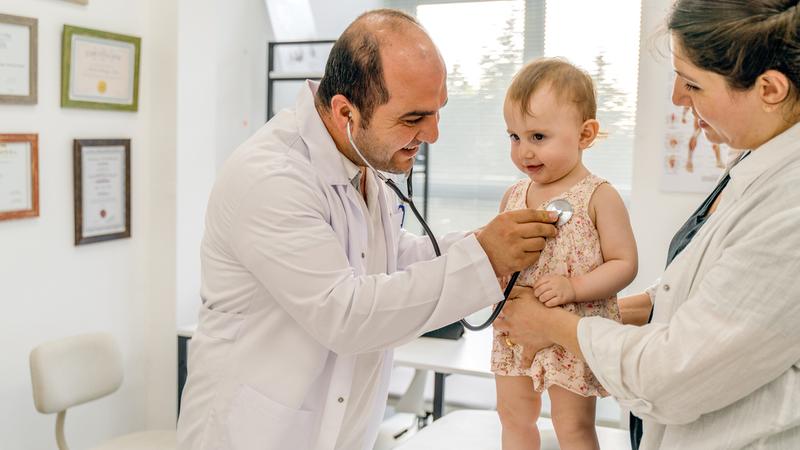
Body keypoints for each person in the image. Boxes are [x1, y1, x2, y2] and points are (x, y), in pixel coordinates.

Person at [176, 9, 558, 450]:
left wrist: (489, 243)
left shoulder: (361, 158)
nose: (432, 134)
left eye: (437, 112)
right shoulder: (272, 178)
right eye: (413, 119)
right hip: (253, 434)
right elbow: (347, 314)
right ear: (346, 113)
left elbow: (387, 258)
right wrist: (486, 256)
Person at [494, 1, 800, 448]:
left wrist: (553, 323)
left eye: (692, 82)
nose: (677, 97)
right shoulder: (755, 164)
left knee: (571, 424)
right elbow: (700, 293)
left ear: (769, 89)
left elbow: (673, 372)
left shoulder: (789, 205)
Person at [491, 58, 638, 450]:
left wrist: (573, 287)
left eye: (538, 136)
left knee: (570, 425)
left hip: (572, 327)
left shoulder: (598, 196)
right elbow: (497, 254)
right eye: (514, 136)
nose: (524, 151)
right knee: (511, 413)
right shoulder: (513, 195)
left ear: (585, 134)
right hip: (516, 328)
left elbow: (625, 264)